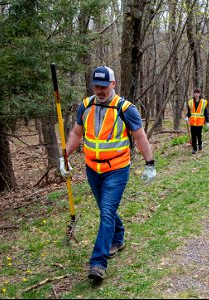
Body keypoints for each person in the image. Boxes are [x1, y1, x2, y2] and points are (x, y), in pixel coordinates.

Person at [59, 66, 156, 282]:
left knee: (106, 211)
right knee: (106, 209)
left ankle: (98, 263)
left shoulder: (126, 108)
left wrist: (150, 163)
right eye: (96, 86)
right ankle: (118, 237)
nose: (100, 90)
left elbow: (140, 137)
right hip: (92, 169)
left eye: (104, 86)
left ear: (113, 84)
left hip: (117, 170)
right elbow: (76, 133)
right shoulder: (85, 106)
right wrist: (63, 156)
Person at [185, 88, 209, 154]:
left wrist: (208, 121)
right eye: (195, 93)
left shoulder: (203, 102)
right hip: (193, 122)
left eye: (197, 93)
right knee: (193, 135)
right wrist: (187, 116)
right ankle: (194, 149)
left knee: (198, 135)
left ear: (199, 94)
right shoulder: (190, 102)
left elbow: (206, 112)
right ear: (193, 94)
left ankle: (200, 144)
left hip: (200, 122)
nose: (196, 94)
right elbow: (189, 112)